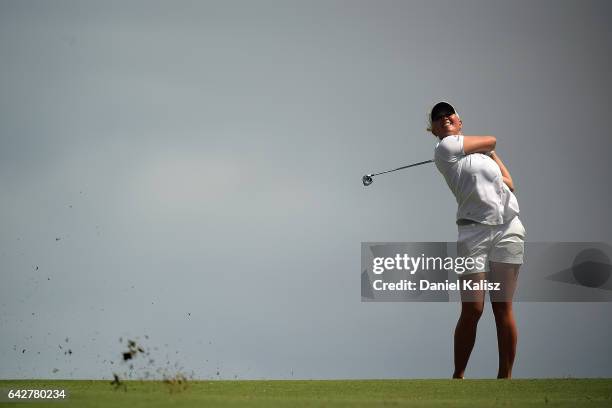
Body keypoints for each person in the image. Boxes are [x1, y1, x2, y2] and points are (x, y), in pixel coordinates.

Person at [429, 101, 526, 379]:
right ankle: (458, 376)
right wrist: (489, 147)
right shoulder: (445, 149)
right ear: (434, 129)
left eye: (449, 114)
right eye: (438, 118)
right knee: (473, 308)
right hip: (474, 232)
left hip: (508, 228)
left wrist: (491, 154)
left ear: (460, 122)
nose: (444, 117)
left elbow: (509, 182)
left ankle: (505, 378)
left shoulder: (483, 157)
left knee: (503, 307)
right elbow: (492, 138)